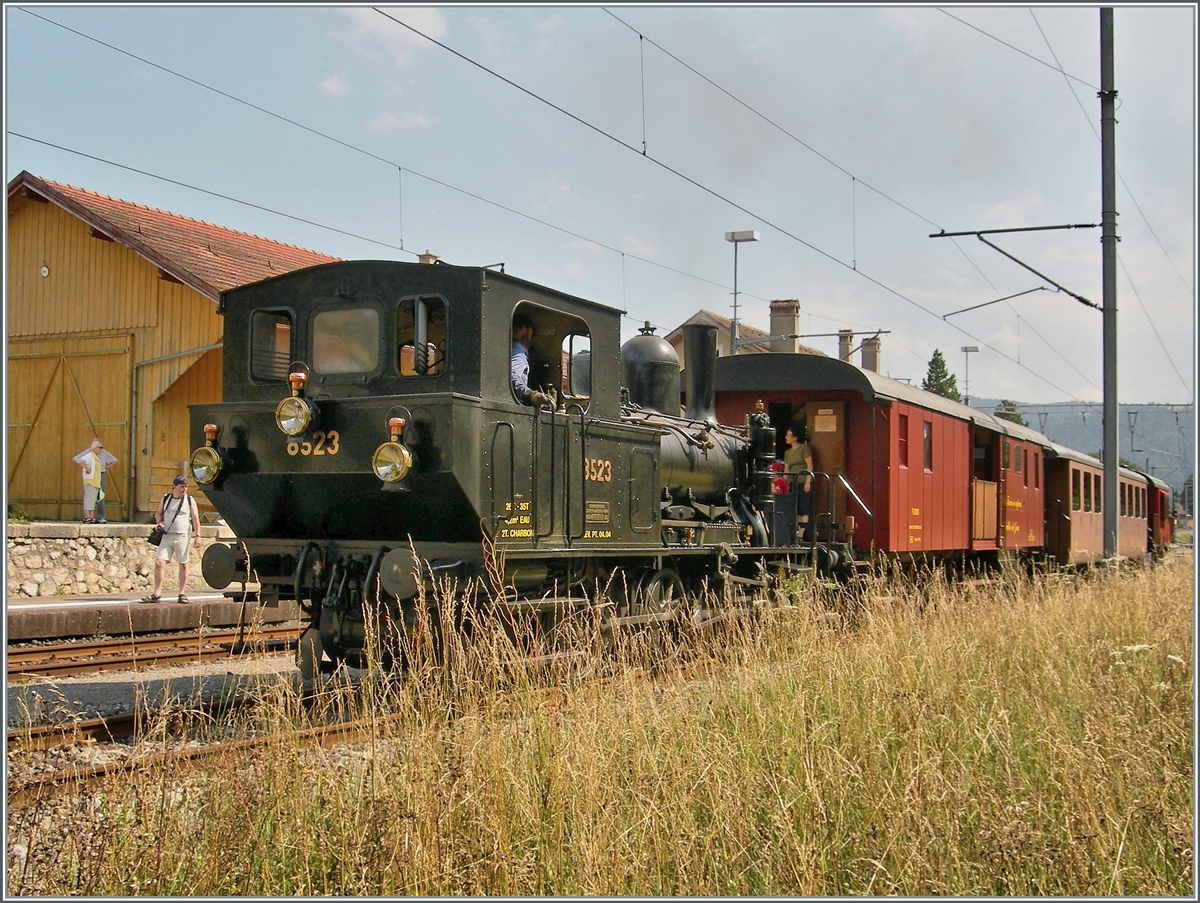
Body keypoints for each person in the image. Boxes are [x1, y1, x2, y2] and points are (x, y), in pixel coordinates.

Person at [142, 475, 202, 604]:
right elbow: (158, 513)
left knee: (183, 565)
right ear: (174, 487)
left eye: (186, 486)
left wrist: (198, 536)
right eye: (181, 486)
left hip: (182, 536)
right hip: (167, 535)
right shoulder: (166, 498)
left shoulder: (189, 500)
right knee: (159, 563)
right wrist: (158, 522)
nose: (184, 489)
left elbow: (196, 519)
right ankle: (157, 593)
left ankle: (182, 593)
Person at [511, 312, 553, 408]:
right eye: (531, 330)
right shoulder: (518, 353)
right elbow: (513, 378)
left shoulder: (509, 349)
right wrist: (531, 395)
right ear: (523, 329)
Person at [72, 438, 118, 523]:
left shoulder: (102, 453)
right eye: (99, 447)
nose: (101, 449)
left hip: (99, 475)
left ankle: (98, 517)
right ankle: (87, 516)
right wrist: (86, 469)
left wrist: (107, 467)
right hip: (91, 477)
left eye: (101, 447)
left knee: (98, 496)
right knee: (89, 496)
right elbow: (78, 460)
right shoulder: (88, 454)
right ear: (94, 447)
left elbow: (114, 460)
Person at [784, 424, 814, 540]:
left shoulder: (804, 448)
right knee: (795, 508)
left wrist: (808, 482)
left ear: (795, 437)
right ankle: (795, 531)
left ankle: (801, 533)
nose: (786, 437)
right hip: (793, 482)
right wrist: (784, 484)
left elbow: (809, 465)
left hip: (803, 481)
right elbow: (787, 469)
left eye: (788, 435)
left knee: (804, 508)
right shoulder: (787, 453)